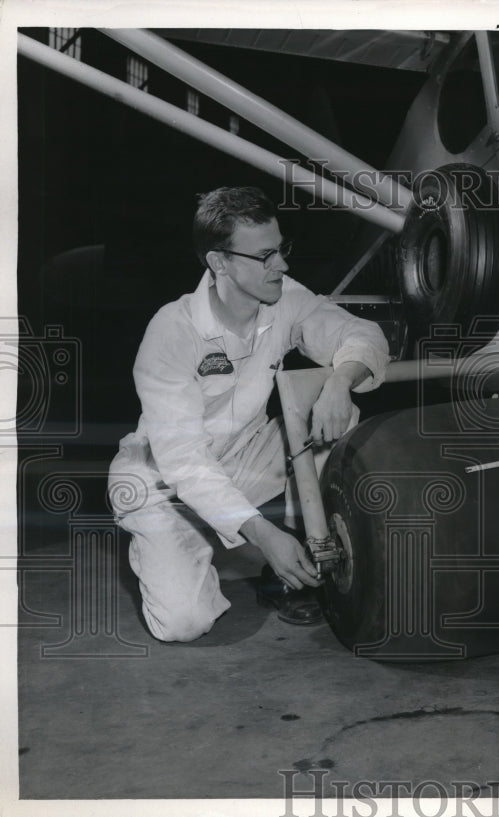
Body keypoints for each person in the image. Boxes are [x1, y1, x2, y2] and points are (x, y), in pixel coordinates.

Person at [108, 186, 389, 642]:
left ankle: (316, 556)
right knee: (184, 623)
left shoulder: (284, 298)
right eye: (266, 257)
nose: (282, 265)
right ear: (220, 263)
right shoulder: (172, 331)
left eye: (282, 250)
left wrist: (340, 381)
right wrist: (261, 533)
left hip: (245, 456)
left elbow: (362, 334)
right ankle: (174, 545)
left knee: (340, 419)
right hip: (162, 481)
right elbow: (183, 460)